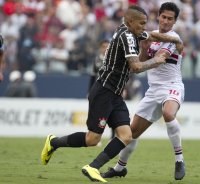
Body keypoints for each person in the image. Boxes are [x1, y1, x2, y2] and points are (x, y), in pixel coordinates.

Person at [41, 5, 183, 183]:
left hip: (115, 94)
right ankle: (54, 142)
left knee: (126, 136)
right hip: (104, 91)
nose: (144, 28)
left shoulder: (130, 29)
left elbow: (152, 35)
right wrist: (156, 60)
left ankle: (93, 167)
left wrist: (175, 41)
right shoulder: (127, 37)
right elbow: (136, 67)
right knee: (92, 139)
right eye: (142, 24)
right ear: (131, 22)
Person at [102, 2, 185, 180]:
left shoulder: (173, 38)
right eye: (163, 17)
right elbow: (141, 61)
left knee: (168, 114)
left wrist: (146, 55)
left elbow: (159, 58)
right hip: (153, 91)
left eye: (170, 19)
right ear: (159, 17)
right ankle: (119, 168)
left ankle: (179, 160)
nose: (166, 21)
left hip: (172, 86)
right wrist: (144, 48)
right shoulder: (152, 36)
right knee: (131, 134)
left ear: (175, 21)